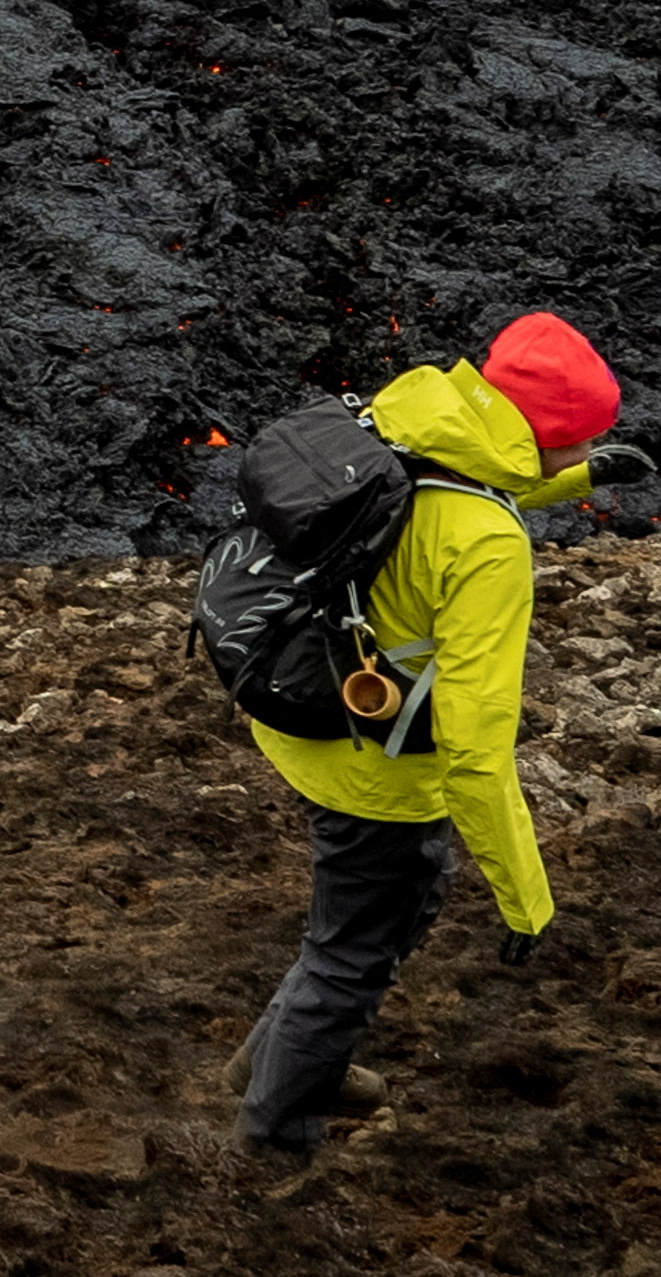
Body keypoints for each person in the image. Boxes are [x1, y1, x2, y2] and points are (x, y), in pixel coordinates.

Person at [232, 310, 619, 1171]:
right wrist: (527, 899)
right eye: (583, 439)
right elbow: (477, 753)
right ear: (543, 433)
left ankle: (271, 1064)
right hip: (374, 773)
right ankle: (269, 1145)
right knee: (356, 951)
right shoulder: (489, 549)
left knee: (358, 923)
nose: (587, 448)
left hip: (299, 718)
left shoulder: (413, 415)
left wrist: (576, 480)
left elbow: (448, 489)